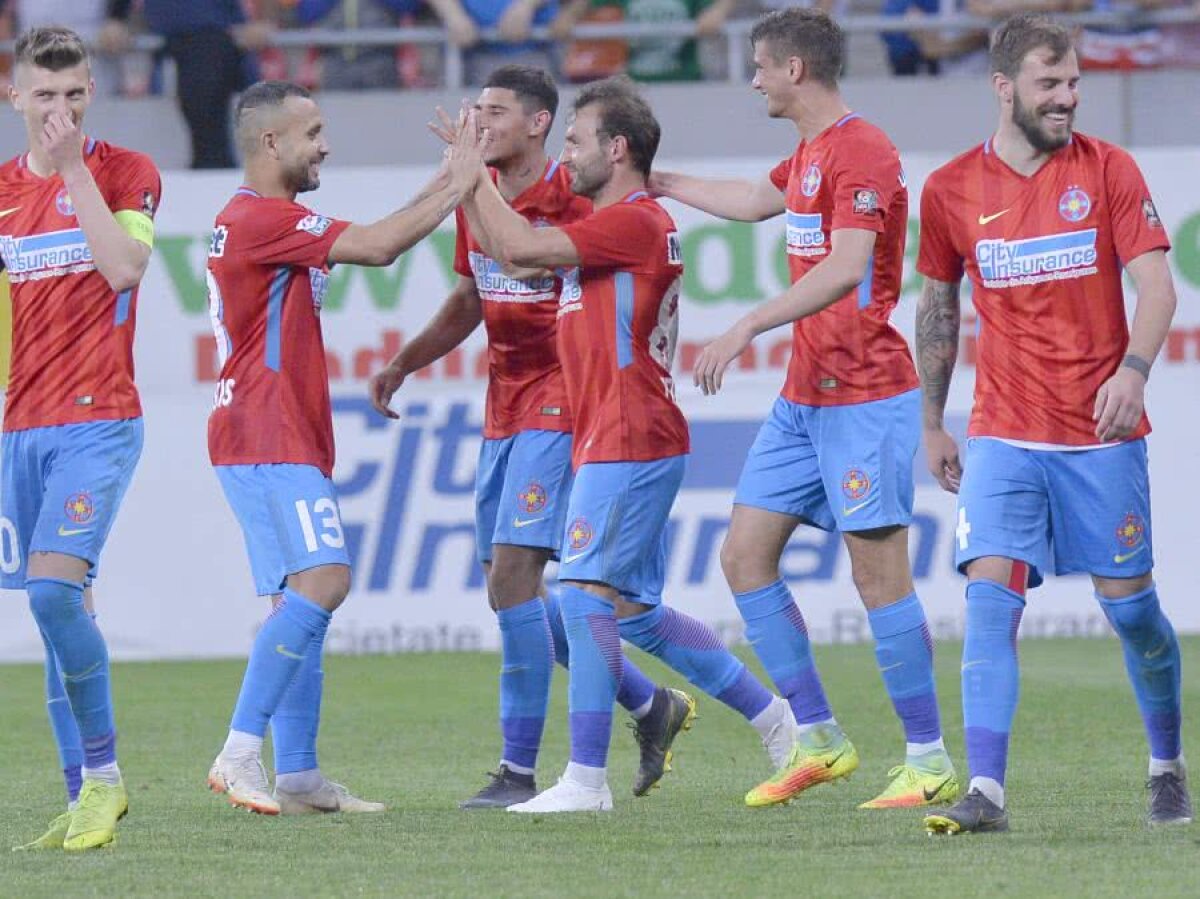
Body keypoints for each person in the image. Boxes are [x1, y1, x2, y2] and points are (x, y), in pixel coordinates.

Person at [459, 75, 796, 813]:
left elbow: (517, 245)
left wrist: (467, 175)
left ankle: (585, 780)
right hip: (619, 436)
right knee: (634, 612)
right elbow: (514, 258)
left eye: (576, 141)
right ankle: (781, 724)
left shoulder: (634, 221)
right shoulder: (619, 223)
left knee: (581, 594)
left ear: (616, 149)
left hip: (629, 435)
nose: (566, 156)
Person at [650, 7, 959, 811]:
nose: (752, 78)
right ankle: (821, 740)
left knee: (877, 574)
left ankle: (928, 759)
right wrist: (661, 182)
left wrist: (750, 320)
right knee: (743, 556)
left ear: (795, 70)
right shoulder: (813, 151)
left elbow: (850, 264)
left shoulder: (864, 148)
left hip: (865, 393)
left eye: (759, 65)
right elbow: (758, 198)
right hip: (805, 395)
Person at [371, 65, 701, 808]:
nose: (477, 124)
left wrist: (466, 178)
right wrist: (405, 360)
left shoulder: (574, 194)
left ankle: (518, 769)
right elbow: (473, 293)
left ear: (539, 123)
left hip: (564, 400)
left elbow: (523, 253)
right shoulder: (479, 187)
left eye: (493, 113)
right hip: (503, 405)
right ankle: (650, 704)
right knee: (506, 586)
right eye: (474, 111)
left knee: (521, 578)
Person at [916, 13, 1191, 834]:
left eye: (1073, 82)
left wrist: (1133, 374)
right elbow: (936, 310)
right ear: (1004, 89)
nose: (1068, 98)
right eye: (1050, 84)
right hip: (1004, 430)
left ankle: (1167, 765)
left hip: (1099, 437)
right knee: (990, 597)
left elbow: (1159, 289)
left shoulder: (1109, 169)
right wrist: (932, 422)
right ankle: (987, 792)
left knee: (1132, 609)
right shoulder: (950, 190)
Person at [204, 79, 478, 815]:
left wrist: (452, 172)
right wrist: (459, 185)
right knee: (325, 581)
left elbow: (383, 227)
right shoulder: (263, 219)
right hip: (270, 432)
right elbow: (382, 246)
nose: (325, 144)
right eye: (313, 131)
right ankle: (238, 754)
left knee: (299, 606)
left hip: (263, 430)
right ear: (271, 143)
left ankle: (297, 775)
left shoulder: (265, 217)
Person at [2, 26, 161, 851]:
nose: (58, 110)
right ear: (14, 94)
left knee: (54, 592)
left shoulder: (127, 173)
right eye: (44, 94)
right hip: (19, 427)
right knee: (59, 612)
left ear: (90, 92)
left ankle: (104, 777)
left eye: (73, 94)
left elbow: (124, 270)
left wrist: (71, 171)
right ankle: (78, 796)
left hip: (99, 417)